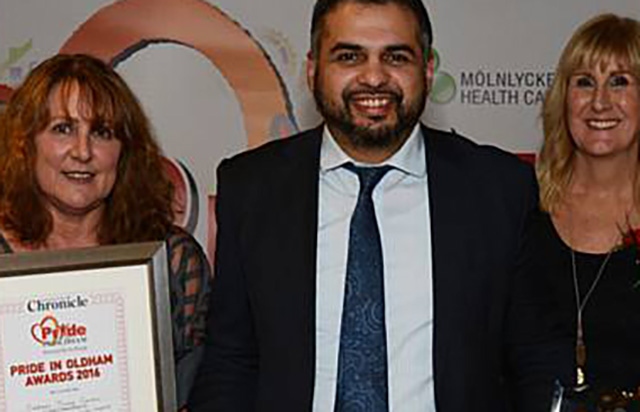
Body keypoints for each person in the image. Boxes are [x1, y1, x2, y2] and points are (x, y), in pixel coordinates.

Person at [189, 0, 560, 410]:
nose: (374, 77)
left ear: (428, 70)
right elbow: (230, 359)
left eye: (396, 57)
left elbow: (535, 357)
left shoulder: (498, 189)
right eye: (349, 56)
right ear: (313, 70)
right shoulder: (252, 188)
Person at [0, 53, 210, 410]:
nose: (82, 152)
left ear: (124, 151)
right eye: (63, 128)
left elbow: (203, 391)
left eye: (102, 132)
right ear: (26, 143)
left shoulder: (171, 260)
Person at [536, 13, 640, 405]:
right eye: (584, 82)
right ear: (564, 97)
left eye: (620, 81)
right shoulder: (517, 207)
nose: (600, 101)